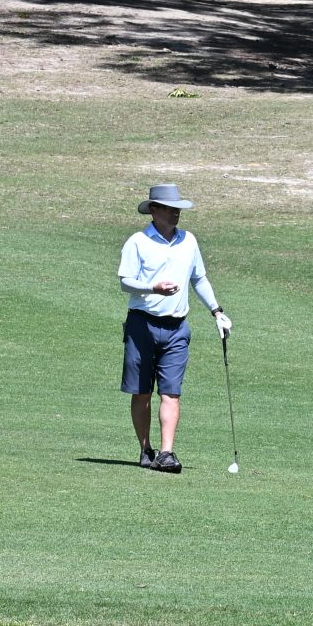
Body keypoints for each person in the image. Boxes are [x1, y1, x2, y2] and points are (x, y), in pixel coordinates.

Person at [117, 183, 231, 473]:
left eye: (177, 209)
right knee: (142, 392)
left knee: (171, 392)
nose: (175, 214)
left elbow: (199, 279)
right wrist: (152, 287)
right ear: (153, 210)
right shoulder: (138, 242)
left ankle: (166, 453)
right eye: (169, 209)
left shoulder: (188, 241)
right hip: (142, 324)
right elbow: (125, 282)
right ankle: (145, 449)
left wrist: (217, 311)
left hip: (177, 327)